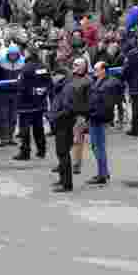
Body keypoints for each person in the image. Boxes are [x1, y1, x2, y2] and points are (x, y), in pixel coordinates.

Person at [48, 59, 91, 193]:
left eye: (54, 76)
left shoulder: (67, 88)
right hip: (62, 123)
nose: (52, 79)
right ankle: (62, 180)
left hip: (64, 124)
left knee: (63, 153)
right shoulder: (63, 87)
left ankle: (66, 184)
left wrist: (55, 116)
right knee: (61, 153)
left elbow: (68, 108)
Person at [85, 62, 122, 185]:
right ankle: (104, 172)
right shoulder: (102, 81)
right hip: (97, 117)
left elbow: (105, 104)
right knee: (98, 146)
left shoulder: (107, 84)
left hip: (97, 118)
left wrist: (93, 114)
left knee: (98, 147)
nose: (94, 71)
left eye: (96, 69)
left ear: (104, 70)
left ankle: (102, 174)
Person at [13, 45, 50, 160]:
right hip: (39, 103)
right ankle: (41, 150)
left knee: (25, 130)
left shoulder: (26, 68)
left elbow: (21, 86)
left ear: (29, 53)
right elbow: (48, 83)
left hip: (26, 104)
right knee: (38, 128)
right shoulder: (44, 66)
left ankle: (25, 152)